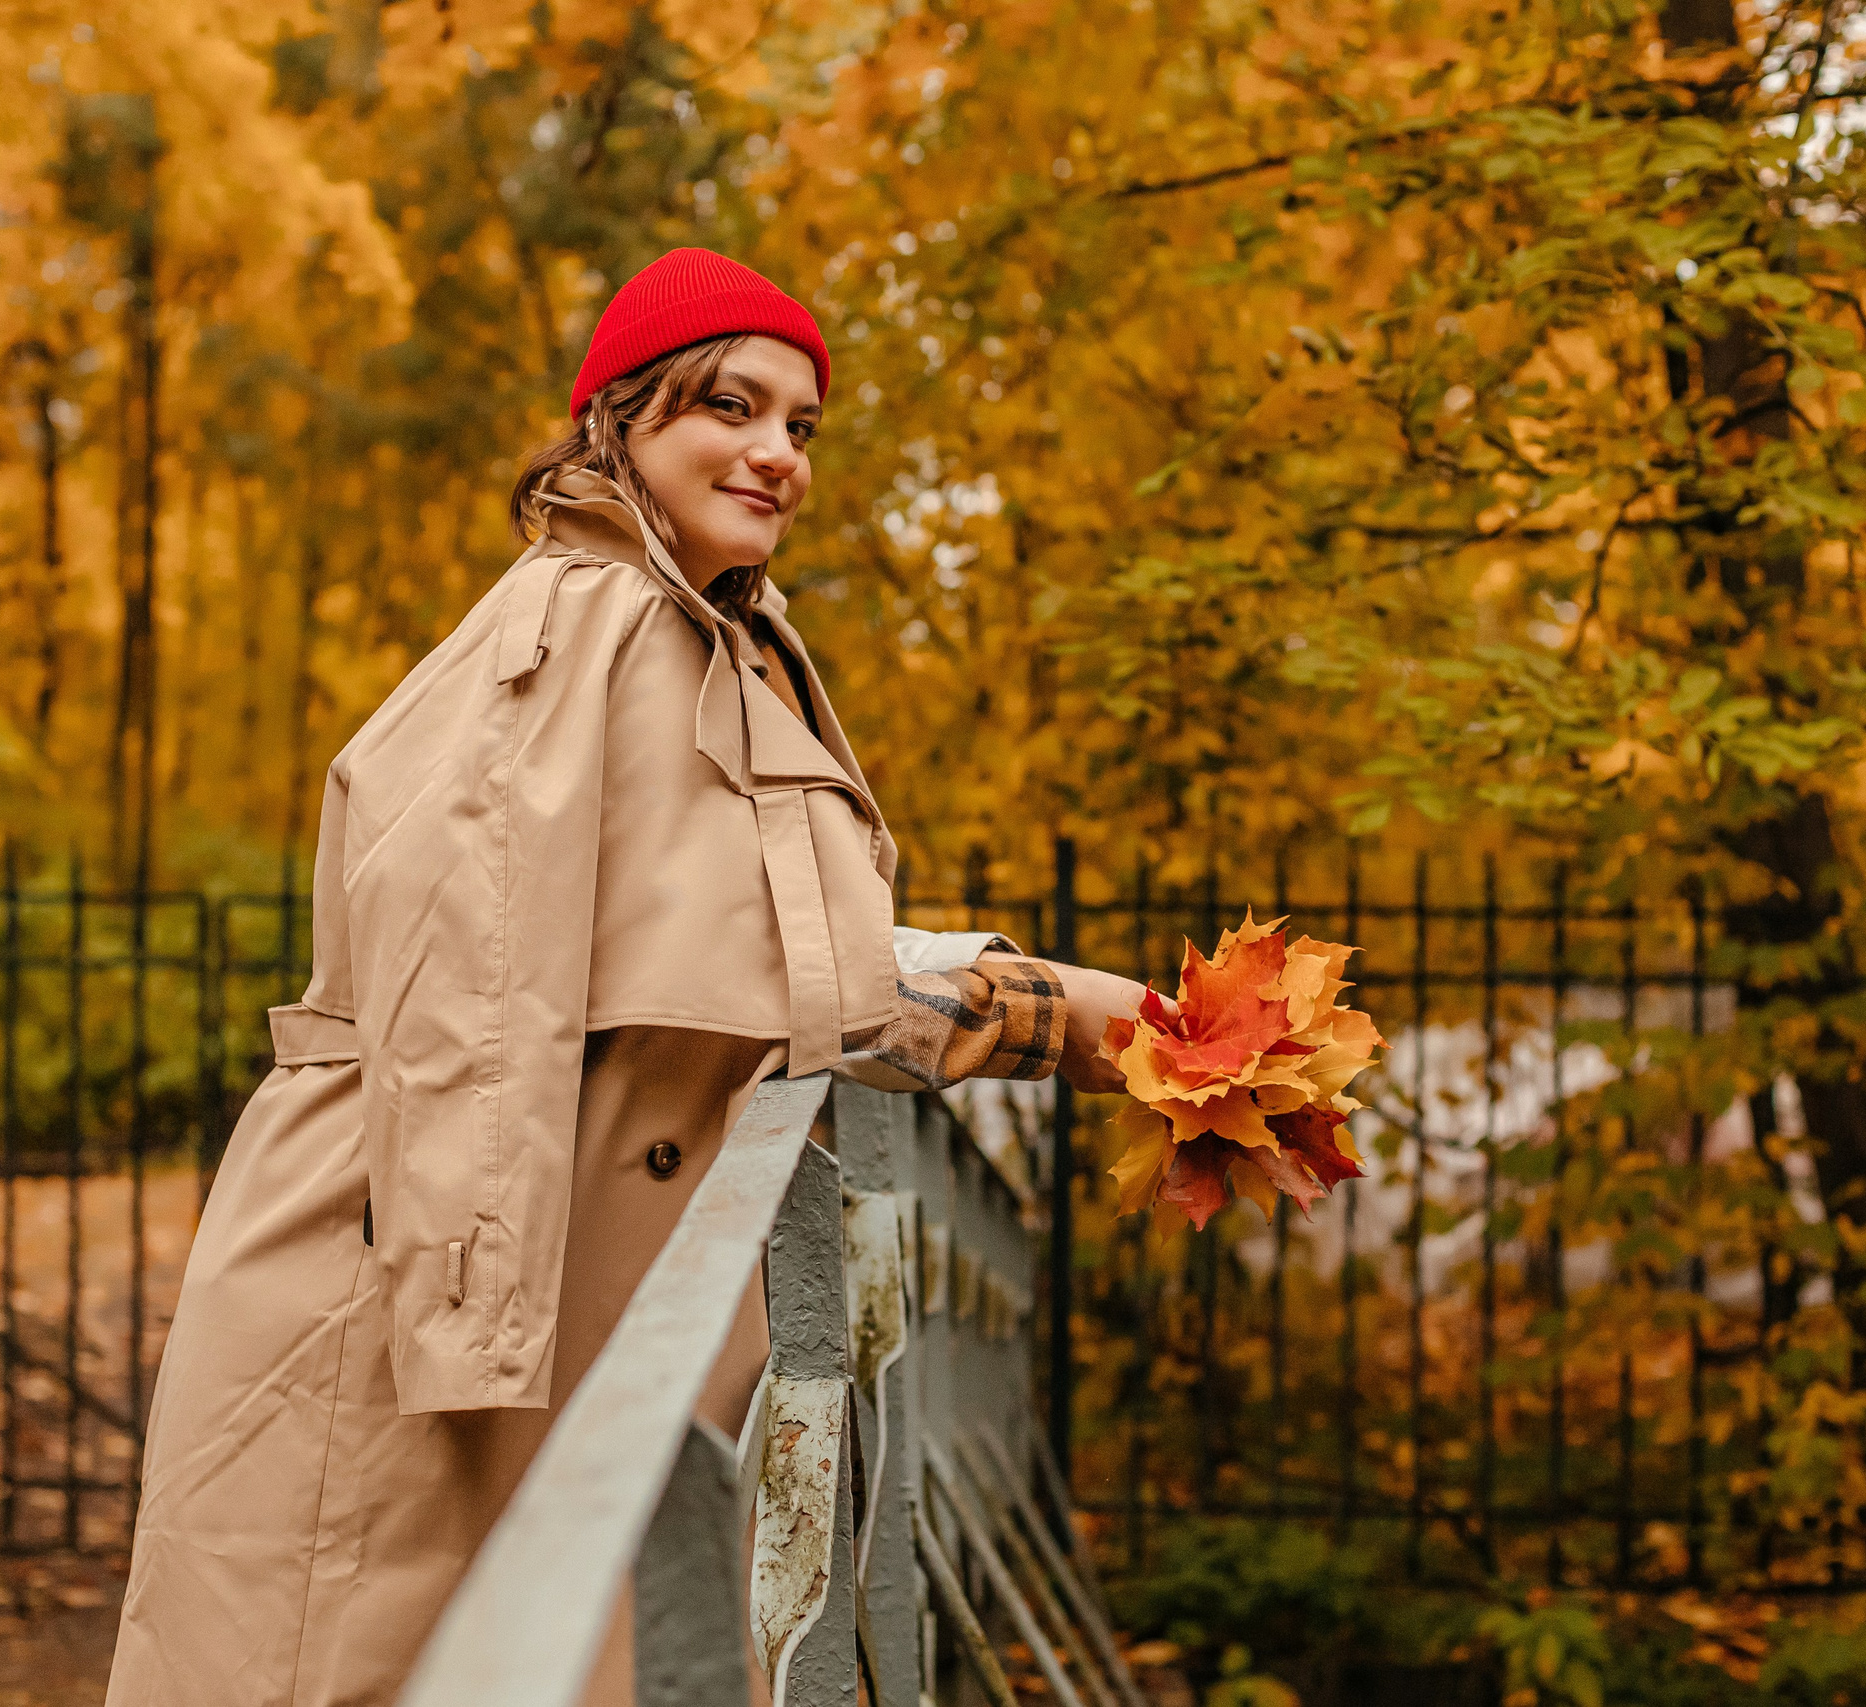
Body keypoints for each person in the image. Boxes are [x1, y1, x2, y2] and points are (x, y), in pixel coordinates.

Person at [102, 247, 1146, 1707]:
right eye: (733, 405)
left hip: (559, 1252)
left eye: (802, 424)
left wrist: (1100, 1023)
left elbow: (776, 946)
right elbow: (466, 981)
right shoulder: (576, 628)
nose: (776, 453)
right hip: (425, 1260)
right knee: (360, 1653)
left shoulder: (695, 633)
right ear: (624, 419)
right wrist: (466, 1322)